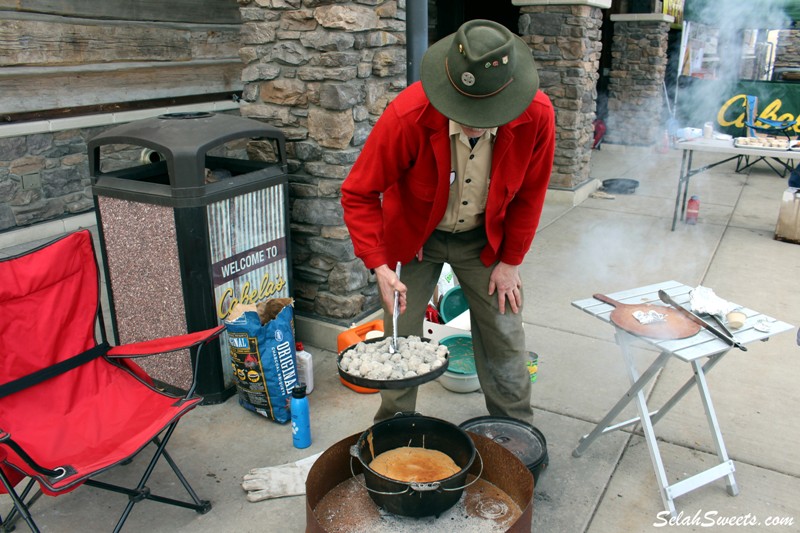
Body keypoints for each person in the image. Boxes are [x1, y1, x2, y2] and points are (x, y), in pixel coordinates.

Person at [340, 19, 556, 424]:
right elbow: (359, 192)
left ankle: (515, 430)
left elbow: (531, 194)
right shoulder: (408, 113)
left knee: (505, 331)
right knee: (399, 336)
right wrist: (381, 267)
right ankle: (394, 427)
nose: (476, 119)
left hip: (484, 240)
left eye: (487, 110)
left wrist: (511, 262)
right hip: (414, 240)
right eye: (467, 109)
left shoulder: (538, 115)